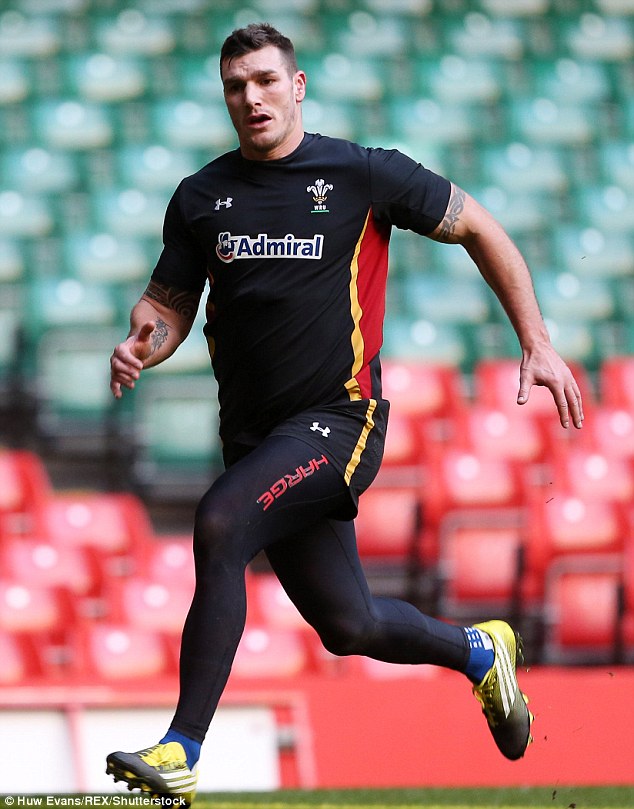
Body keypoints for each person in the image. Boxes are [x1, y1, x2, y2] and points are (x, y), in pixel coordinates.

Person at [106, 22, 584, 805]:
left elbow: (479, 226)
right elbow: (167, 306)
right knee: (350, 625)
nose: (251, 97)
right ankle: (478, 653)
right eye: (236, 86)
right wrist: (140, 343)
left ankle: (181, 748)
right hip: (259, 440)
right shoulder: (201, 196)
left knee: (222, 522)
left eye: (265, 80)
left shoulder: (362, 173)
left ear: (297, 86)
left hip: (339, 423)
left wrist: (535, 338)